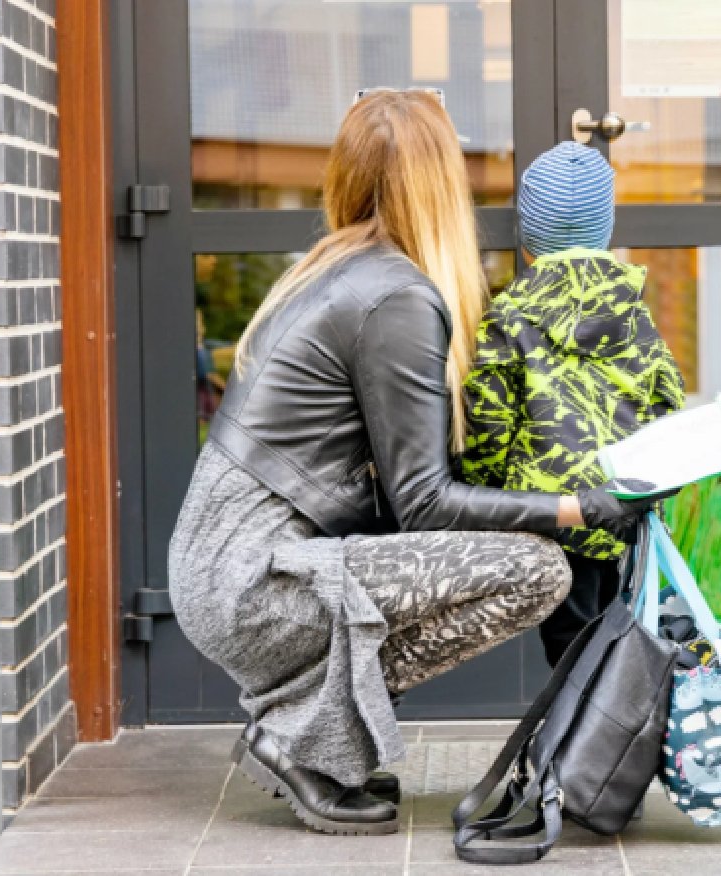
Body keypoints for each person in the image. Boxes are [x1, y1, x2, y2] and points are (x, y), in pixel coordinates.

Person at [167, 93, 654, 836]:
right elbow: (425, 502)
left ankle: (317, 732)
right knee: (537, 571)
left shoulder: (335, 271)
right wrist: (574, 509)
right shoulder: (395, 296)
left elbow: (403, 495)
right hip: (255, 580)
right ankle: (299, 735)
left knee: (500, 560)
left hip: (225, 566)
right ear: (440, 182)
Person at [462, 141, 685, 668]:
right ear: (605, 227)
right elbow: (667, 402)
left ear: (528, 234)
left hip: (548, 520)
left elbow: (488, 427)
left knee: (569, 649)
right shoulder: (632, 311)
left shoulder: (507, 316)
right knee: (617, 639)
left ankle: (580, 741)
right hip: (624, 510)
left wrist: (483, 496)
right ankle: (602, 736)